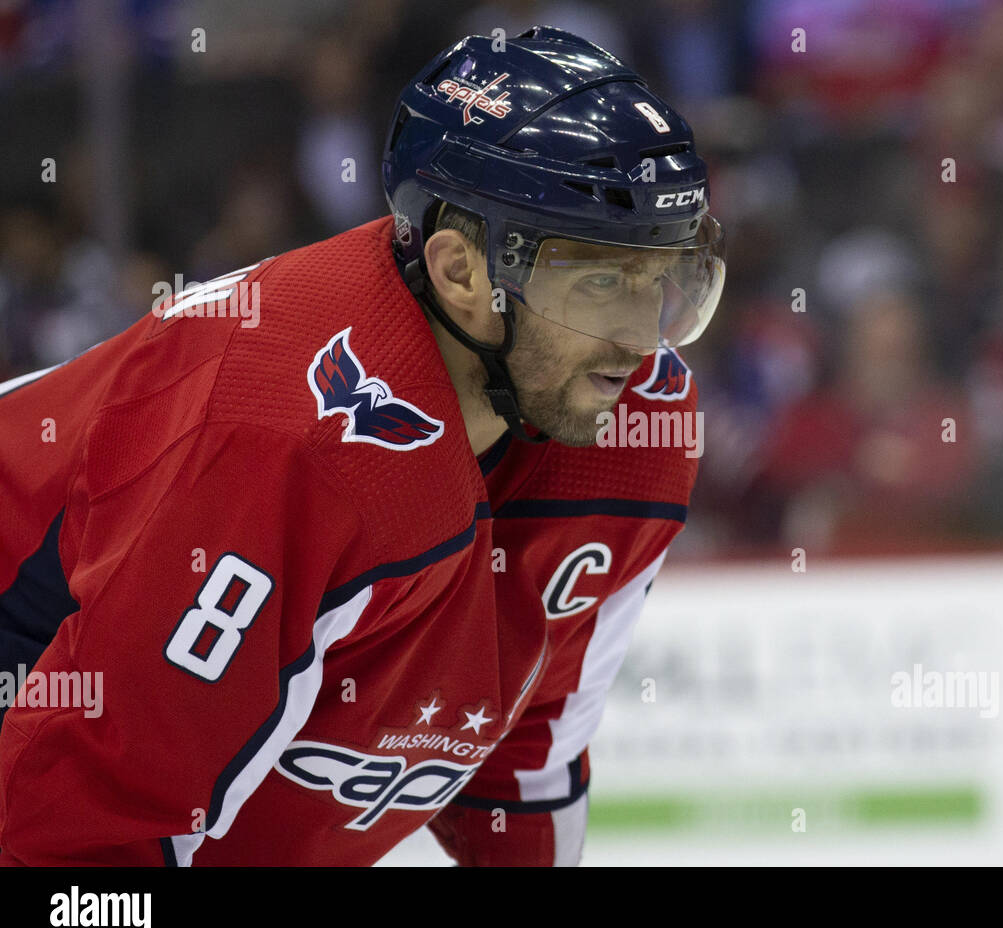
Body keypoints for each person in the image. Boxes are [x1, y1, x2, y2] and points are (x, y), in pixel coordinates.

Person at [0, 26, 726, 866]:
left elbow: (523, 756)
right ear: (460, 271)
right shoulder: (294, 443)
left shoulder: (632, 425)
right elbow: (74, 831)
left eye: (663, 278)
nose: (641, 340)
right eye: (601, 282)